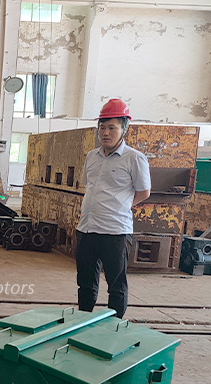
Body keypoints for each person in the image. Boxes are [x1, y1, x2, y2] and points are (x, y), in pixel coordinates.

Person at [76, 99, 151, 319]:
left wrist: (122, 206)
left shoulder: (135, 158)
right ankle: (83, 320)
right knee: (85, 282)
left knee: (116, 284)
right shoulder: (92, 156)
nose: (105, 133)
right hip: (87, 230)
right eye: (102, 127)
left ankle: (114, 327)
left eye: (112, 127)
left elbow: (144, 192)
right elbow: (88, 185)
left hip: (115, 232)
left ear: (124, 129)